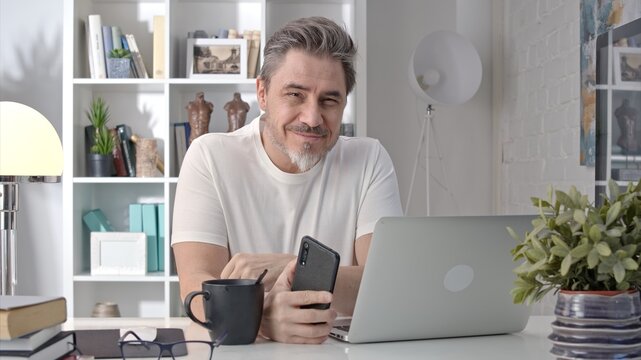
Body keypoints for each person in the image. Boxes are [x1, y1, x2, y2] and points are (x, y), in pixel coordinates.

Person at [172, 16, 402, 344]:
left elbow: (386, 285)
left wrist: (289, 268)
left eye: (329, 100)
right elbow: (196, 287)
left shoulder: (369, 160)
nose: (312, 118)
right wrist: (262, 319)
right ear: (262, 94)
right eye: (295, 95)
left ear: (344, 104)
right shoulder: (209, 156)